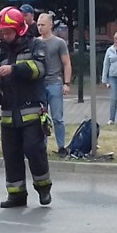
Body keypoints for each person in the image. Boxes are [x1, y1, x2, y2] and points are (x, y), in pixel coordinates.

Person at [0, 6, 51, 208]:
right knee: (11, 155)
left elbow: (40, 68)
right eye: (2, 31)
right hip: (9, 112)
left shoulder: (35, 45)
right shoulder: (0, 50)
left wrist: (14, 69)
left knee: (34, 150)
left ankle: (43, 188)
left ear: (19, 29)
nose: (4, 35)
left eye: (7, 31)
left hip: (31, 111)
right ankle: (16, 195)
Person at [37, 13, 72, 157]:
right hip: (39, 84)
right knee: (41, 117)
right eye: (38, 25)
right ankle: (42, 146)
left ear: (50, 25)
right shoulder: (35, 42)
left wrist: (66, 83)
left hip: (55, 82)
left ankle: (61, 146)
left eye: (43, 25)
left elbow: (66, 63)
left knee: (57, 117)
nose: (40, 27)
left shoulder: (59, 43)